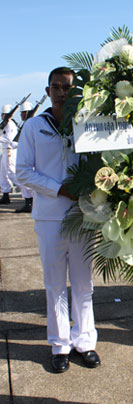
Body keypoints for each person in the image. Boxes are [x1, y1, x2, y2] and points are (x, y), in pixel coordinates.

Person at [16, 67, 100, 373]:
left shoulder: (87, 124)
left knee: (83, 283)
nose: (62, 92)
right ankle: (60, 344)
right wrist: (59, 189)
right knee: (54, 283)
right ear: (48, 90)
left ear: (76, 91)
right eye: (56, 87)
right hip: (50, 216)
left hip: (83, 216)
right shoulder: (35, 127)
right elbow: (22, 170)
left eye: (68, 87)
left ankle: (86, 341)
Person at [14, 101, 34, 213]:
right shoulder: (27, 123)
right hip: (23, 153)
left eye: (23, 113)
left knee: (27, 181)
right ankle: (28, 202)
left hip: (29, 155)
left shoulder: (31, 124)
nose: (21, 115)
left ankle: (30, 202)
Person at [0, 104, 19, 204]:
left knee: (11, 173)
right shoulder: (5, 124)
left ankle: (30, 192)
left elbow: (9, 139)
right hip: (4, 150)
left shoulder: (10, 125)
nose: (3, 116)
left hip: (9, 151)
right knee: (3, 174)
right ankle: (5, 195)